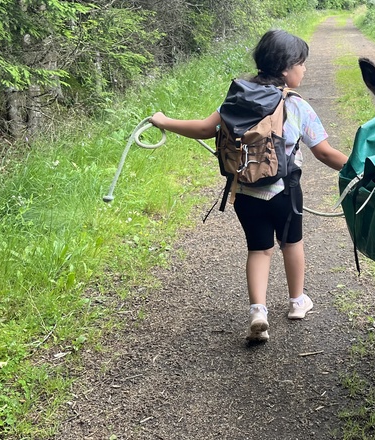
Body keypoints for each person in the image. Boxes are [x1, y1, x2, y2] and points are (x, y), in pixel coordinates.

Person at [149, 30, 348, 342]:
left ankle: (258, 310)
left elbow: (204, 128)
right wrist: (360, 169)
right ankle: (297, 302)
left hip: (243, 191)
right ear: (286, 68)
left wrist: (164, 121)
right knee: (291, 243)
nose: (305, 69)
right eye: (301, 63)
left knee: (259, 249)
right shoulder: (295, 105)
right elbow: (324, 152)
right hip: (285, 191)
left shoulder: (237, 97)